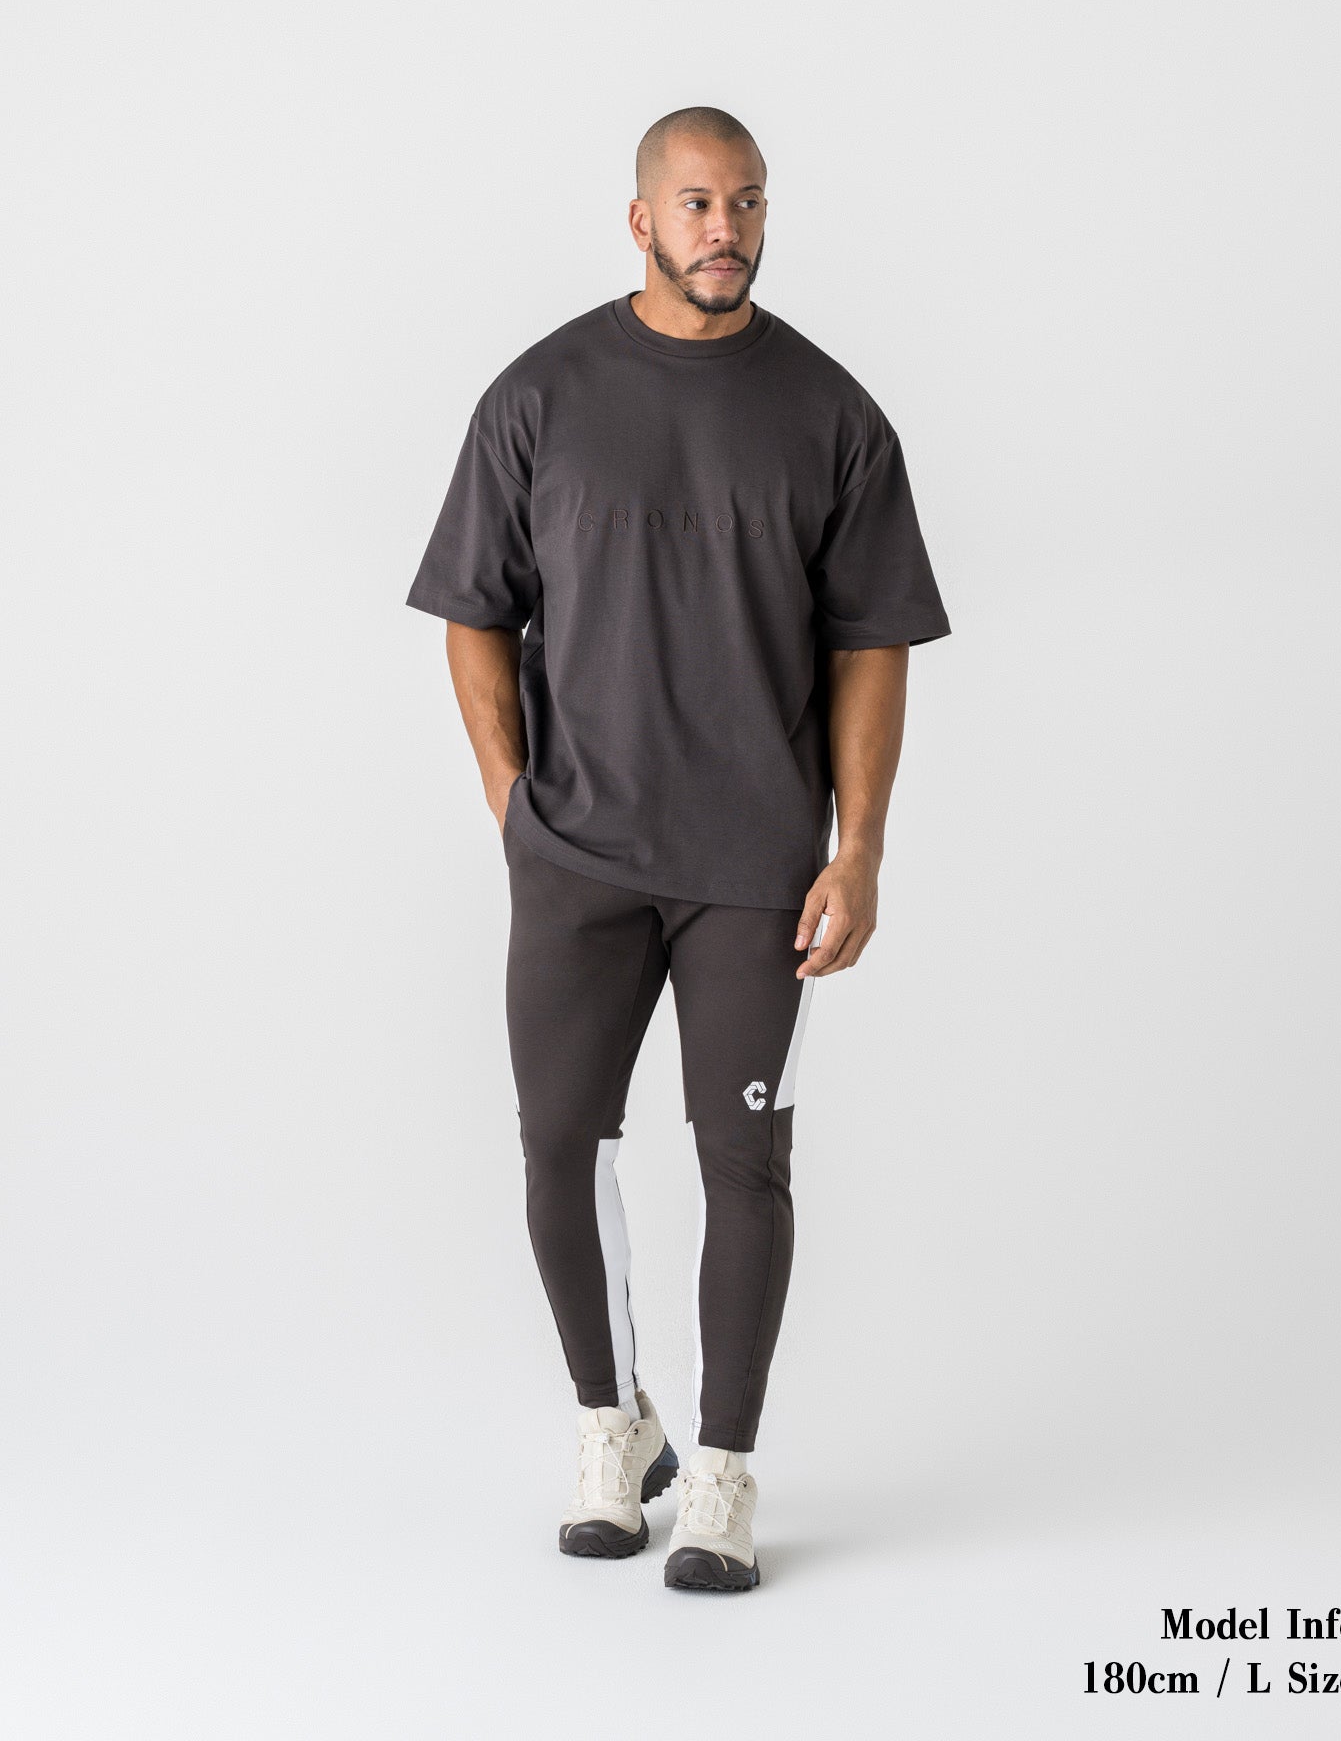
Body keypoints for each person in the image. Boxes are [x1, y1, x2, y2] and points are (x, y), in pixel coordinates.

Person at [405, 106, 951, 1592]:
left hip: (756, 870)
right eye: (699, 203)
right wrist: (515, 805)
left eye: (749, 202)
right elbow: (472, 611)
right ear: (641, 219)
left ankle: (721, 1470)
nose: (727, 229)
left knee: (743, 1160)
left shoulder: (833, 415)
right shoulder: (541, 395)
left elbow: (874, 647)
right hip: (577, 855)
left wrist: (860, 849)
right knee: (557, 1149)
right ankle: (612, 1425)